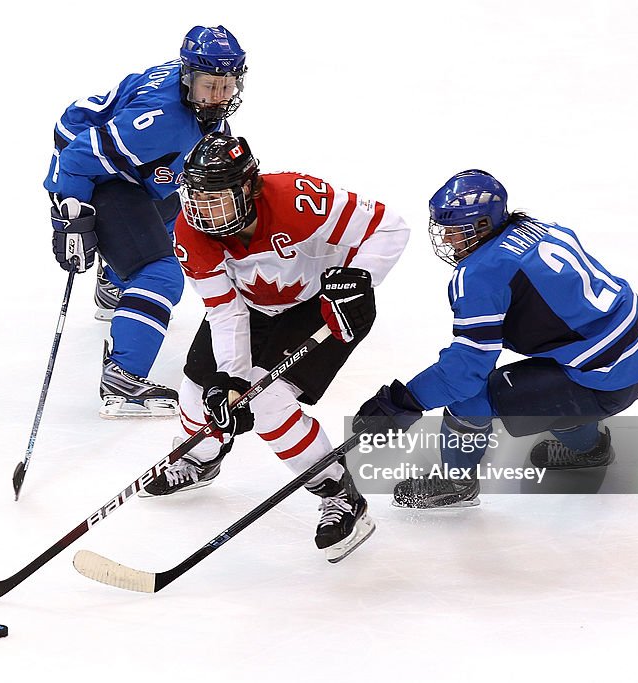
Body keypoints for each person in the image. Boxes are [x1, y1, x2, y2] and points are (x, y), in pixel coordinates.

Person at [140, 132, 410, 562]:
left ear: (248, 187)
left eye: (216, 199)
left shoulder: (299, 200)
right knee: (199, 394)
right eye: (196, 198)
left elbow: (389, 227)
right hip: (249, 307)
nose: (202, 211)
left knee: (267, 404)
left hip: (324, 307)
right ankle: (202, 459)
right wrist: (229, 378)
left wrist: (359, 280)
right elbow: (225, 311)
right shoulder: (190, 232)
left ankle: (338, 493)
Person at [354, 170, 638, 508]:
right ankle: (590, 447)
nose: (447, 239)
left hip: (605, 379)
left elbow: (465, 372)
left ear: (484, 226)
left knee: (471, 396)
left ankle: (457, 485)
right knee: (547, 384)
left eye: (456, 230)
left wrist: (402, 402)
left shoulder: (480, 275)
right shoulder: (540, 228)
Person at [44, 26, 247, 418]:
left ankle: (114, 284)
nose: (220, 96)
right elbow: (78, 159)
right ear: (189, 78)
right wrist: (71, 217)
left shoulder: (189, 91)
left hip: (131, 172)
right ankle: (124, 377)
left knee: (172, 210)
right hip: (93, 171)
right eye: (210, 86)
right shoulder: (159, 123)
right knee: (161, 274)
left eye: (228, 85)